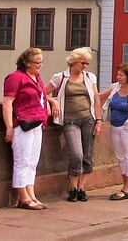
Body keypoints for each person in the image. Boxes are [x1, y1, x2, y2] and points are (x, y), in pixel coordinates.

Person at [46, 47, 101, 202]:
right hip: (69, 120)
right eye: (83, 63)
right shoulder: (61, 77)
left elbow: (96, 99)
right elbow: (42, 92)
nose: (85, 66)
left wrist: (98, 120)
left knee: (87, 155)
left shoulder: (90, 77)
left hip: (88, 119)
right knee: (77, 154)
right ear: (74, 61)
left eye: (87, 63)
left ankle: (81, 188)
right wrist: (53, 101)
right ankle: (71, 187)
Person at [3, 47, 54, 210]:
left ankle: (31, 193)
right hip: (23, 122)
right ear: (26, 62)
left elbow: (41, 95)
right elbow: (7, 102)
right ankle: (23, 196)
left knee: (32, 161)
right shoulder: (16, 77)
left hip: (37, 121)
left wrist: (51, 102)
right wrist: (9, 127)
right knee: (22, 160)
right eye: (36, 62)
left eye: (41, 62)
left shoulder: (36, 77)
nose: (39, 65)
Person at [97, 62, 128, 200]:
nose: (118, 77)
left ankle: (127, 188)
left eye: (121, 75)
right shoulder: (115, 88)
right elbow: (100, 97)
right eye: (118, 74)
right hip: (115, 126)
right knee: (121, 158)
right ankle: (126, 185)